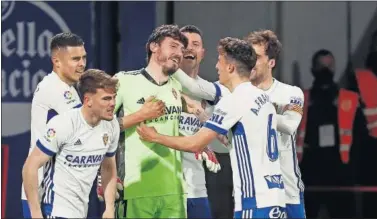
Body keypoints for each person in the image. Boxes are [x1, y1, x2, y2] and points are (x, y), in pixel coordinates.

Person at [137, 37, 287, 218]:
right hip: (275, 195)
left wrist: (155, 136)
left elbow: (195, 144)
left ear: (230, 67)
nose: (216, 67)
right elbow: (240, 139)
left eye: (220, 61)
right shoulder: (263, 98)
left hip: (254, 199)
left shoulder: (234, 100)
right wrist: (202, 116)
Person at [172, 29, 306, 218]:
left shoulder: (290, 92)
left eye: (257, 56)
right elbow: (195, 86)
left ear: (271, 62)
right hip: (252, 188)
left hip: (288, 188)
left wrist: (255, 109)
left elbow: (290, 125)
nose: (251, 60)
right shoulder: (231, 91)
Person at [113, 24, 202, 219]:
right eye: (173, 46)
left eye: (181, 49)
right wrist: (141, 115)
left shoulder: (177, 87)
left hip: (175, 190)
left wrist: (200, 144)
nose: (178, 53)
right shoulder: (124, 81)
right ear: (154, 47)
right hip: (136, 188)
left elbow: (171, 130)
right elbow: (102, 129)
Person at [22, 69, 120, 218]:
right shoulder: (64, 124)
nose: (113, 104)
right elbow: (30, 166)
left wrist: (109, 208)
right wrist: (35, 214)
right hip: (54, 210)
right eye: (106, 99)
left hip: (81, 211)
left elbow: (108, 167)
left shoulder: (112, 124)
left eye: (114, 98)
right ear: (88, 101)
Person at [21, 32, 86, 218]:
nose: (82, 64)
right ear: (56, 61)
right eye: (75, 59)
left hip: (58, 191)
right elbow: (92, 125)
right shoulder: (55, 89)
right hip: (42, 192)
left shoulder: (68, 88)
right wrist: (140, 115)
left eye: (83, 57)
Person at [179, 25, 234, 219]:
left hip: (198, 187)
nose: (190, 48)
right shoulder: (161, 87)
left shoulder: (213, 92)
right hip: (166, 186)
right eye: (184, 44)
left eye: (195, 44)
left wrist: (205, 120)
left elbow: (225, 144)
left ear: (203, 53)